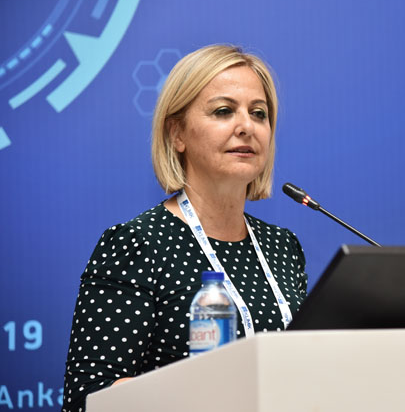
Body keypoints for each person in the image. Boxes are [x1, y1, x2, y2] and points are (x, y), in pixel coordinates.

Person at [62, 45, 308, 411]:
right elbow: (87, 396)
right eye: (224, 111)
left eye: (259, 113)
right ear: (177, 133)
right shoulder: (138, 244)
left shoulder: (282, 246)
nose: (246, 126)